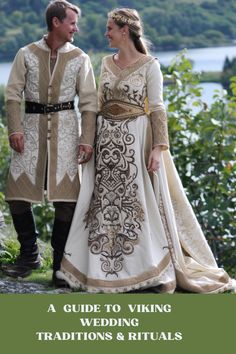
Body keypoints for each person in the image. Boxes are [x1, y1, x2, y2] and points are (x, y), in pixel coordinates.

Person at [56, 8, 235, 293]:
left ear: (124, 31)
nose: (106, 33)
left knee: (135, 205)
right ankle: (103, 269)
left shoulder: (150, 65)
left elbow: (158, 108)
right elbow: (96, 105)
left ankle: (145, 270)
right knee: (104, 206)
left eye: (110, 28)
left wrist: (158, 148)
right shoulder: (104, 63)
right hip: (106, 143)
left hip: (135, 142)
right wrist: (86, 140)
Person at [2, 0, 97, 287]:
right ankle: (29, 254)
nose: (76, 29)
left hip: (68, 132)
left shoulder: (81, 58)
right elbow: (12, 94)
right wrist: (14, 129)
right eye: (72, 23)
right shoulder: (26, 54)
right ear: (56, 23)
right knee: (16, 195)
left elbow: (90, 102)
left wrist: (86, 139)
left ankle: (59, 265)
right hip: (28, 131)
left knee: (66, 200)